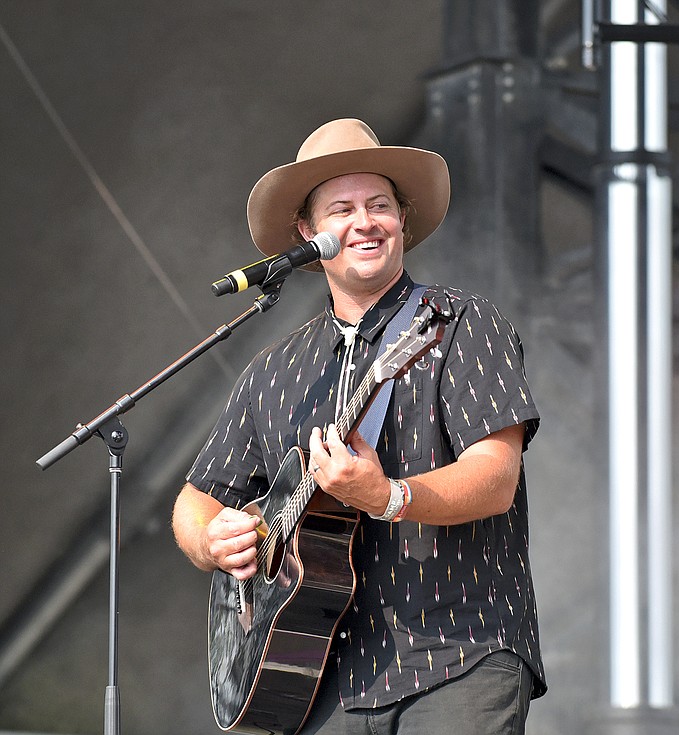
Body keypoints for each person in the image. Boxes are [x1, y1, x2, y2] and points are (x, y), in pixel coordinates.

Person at [172, 118, 545, 734]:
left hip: (458, 653)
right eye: (341, 209)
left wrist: (388, 496)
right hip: (316, 676)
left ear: (401, 219)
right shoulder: (274, 371)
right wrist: (213, 542)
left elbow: (495, 476)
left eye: (379, 205)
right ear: (307, 234)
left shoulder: (457, 323)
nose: (364, 222)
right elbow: (195, 501)